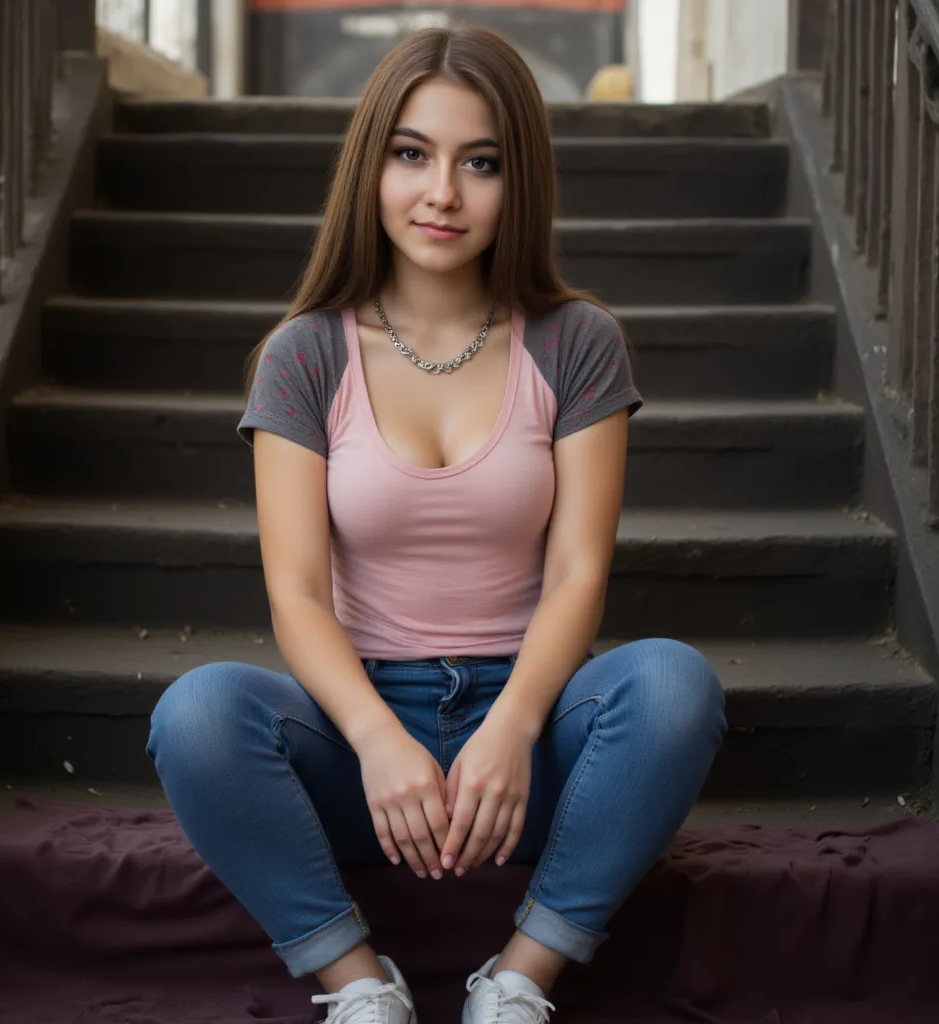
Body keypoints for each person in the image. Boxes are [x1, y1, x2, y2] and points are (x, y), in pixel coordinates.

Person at [146, 24, 727, 1024]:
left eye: (480, 163)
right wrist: (373, 737)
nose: (442, 193)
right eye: (412, 154)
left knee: (674, 682)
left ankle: (516, 982)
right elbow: (293, 590)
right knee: (196, 714)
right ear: (371, 167)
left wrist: (513, 724)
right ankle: (359, 984)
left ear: (521, 180)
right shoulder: (303, 355)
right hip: (360, 744)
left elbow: (579, 572)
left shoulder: (575, 341)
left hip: (531, 742)